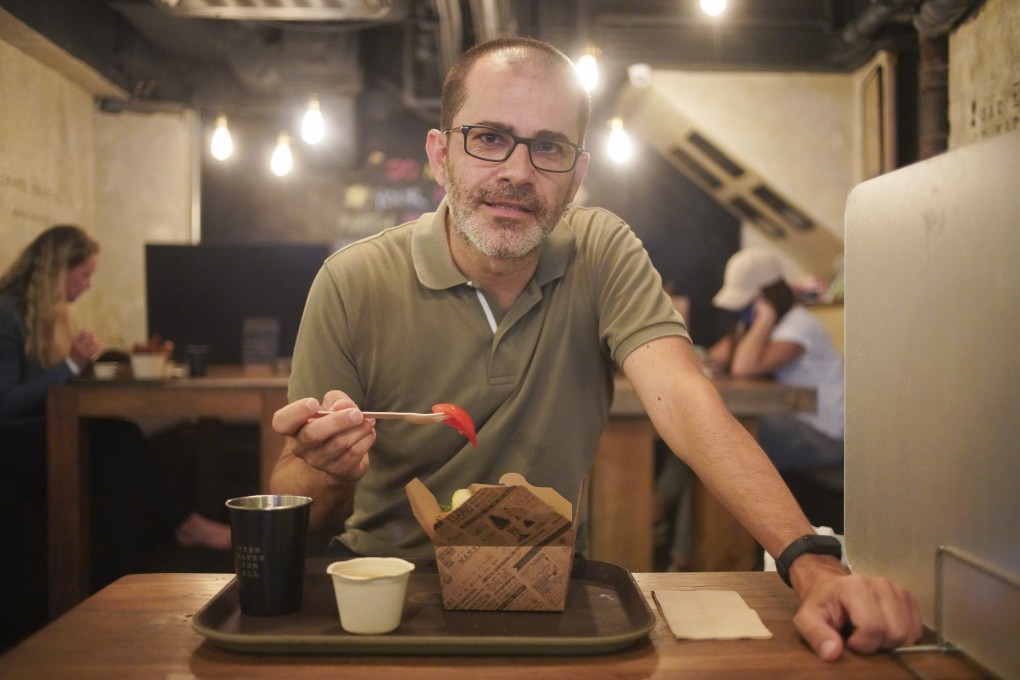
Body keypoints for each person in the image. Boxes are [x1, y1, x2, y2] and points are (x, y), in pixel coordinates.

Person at [269, 37, 921, 661]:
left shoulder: (601, 252)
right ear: (441, 155)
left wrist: (811, 562)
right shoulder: (352, 282)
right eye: (490, 138)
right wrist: (324, 464)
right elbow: (294, 497)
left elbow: (685, 399)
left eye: (548, 146)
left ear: (577, 174)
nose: (517, 173)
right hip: (388, 593)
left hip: (547, 591)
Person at [0, 225, 230, 627]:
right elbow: (7, 403)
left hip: (42, 430)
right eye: (84, 274)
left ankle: (124, 584)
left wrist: (87, 364)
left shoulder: (46, 316)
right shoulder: (7, 314)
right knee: (117, 439)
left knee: (116, 451)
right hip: (12, 442)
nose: (88, 285)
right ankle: (179, 532)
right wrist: (69, 365)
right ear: (58, 270)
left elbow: (47, 387)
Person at [708, 247, 845, 474]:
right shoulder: (772, 327)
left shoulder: (799, 325)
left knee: (717, 438)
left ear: (767, 296)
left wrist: (764, 319)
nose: (743, 308)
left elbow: (744, 368)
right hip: (795, 421)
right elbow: (713, 356)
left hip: (824, 434)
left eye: (748, 301)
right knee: (703, 435)